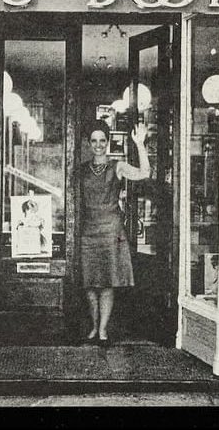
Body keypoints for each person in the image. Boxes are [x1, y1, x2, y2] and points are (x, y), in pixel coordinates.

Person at [80, 119, 150, 346]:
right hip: (88, 229)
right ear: (89, 143)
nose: (98, 145)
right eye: (94, 141)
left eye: (102, 140)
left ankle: (102, 330)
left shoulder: (117, 166)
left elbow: (144, 172)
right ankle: (94, 324)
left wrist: (140, 143)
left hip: (111, 229)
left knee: (107, 282)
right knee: (90, 283)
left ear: (108, 142)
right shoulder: (81, 169)